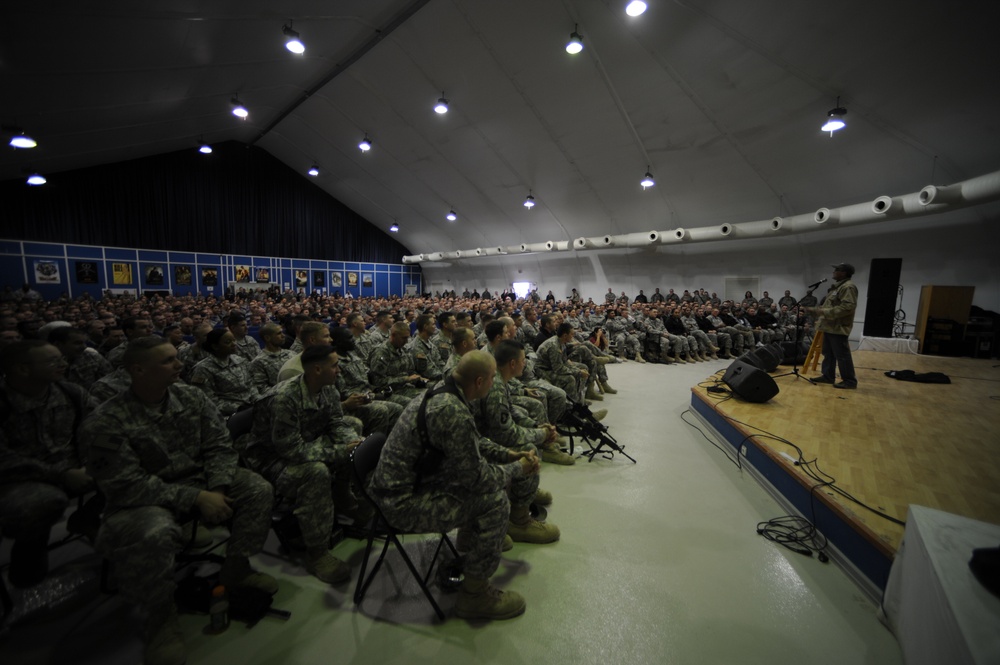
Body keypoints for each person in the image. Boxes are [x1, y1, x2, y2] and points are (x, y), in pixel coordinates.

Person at [80, 337, 277, 665]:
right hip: (143, 501)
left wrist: (218, 485)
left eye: (176, 358)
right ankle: (160, 618)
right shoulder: (104, 422)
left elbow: (219, 444)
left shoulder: (191, 397)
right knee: (153, 533)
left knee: (257, 489)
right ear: (138, 370)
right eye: (169, 360)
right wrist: (196, 497)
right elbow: (124, 487)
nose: (179, 364)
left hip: (201, 482)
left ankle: (236, 568)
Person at [367, 351, 552, 621]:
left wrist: (509, 454)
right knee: (495, 501)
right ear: (479, 381)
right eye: (491, 379)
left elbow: (473, 443)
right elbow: (477, 478)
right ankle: (474, 596)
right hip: (401, 504)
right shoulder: (451, 410)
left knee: (487, 488)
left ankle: (469, 541)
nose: (494, 385)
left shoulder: (447, 392)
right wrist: (519, 468)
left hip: (413, 484)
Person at [241, 345, 363, 583]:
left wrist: (353, 443)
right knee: (315, 472)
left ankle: (341, 493)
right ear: (317, 369)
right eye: (335, 365)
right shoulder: (285, 397)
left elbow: (336, 423)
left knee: (354, 430)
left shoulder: (326, 388)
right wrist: (339, 451)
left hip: (305, 441)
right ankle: (317, 553)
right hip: (272, 460)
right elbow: (291, 450)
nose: (339, 369)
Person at [0, 341, 96, 587]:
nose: (63, 364)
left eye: (62, 358)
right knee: (41, 502)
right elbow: (5, 458)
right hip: (19, 480)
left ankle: (90, 517)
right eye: (53, 361)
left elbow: (100, 427)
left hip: (78, 467)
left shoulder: (71, 393)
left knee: (133, 466)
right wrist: (63, 474)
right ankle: (28, 562)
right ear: (22, 369)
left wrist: (91, 463)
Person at [801, 263, 859, 389]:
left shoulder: (848, 287)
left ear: (844, 273)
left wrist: (823, 312)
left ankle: (849, 381)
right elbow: (829, 306)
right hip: (829, 326)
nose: (834, 272)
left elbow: (847, 307)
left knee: (842, 356)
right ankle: (828, 376)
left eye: (836, 270)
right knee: (828, 353)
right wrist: (814, 310)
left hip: (838, 327)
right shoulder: (837, 287)